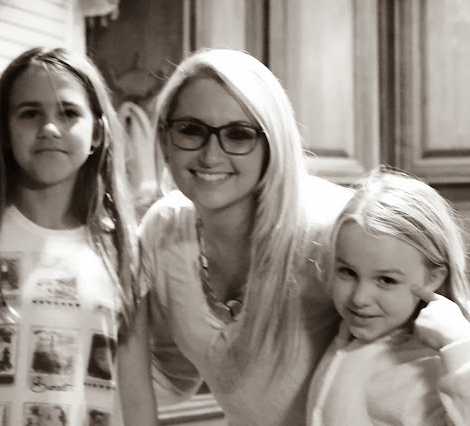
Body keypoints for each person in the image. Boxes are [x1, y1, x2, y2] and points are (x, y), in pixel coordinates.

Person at [0, 47, 157, 426]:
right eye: (30, 113)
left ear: (97, 134)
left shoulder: (122, 248)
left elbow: (137, 401)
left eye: (69, 113)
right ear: (4, 132)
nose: (50, 128)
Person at [138, 48, 353, 424]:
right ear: (165, 139)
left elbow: (413, 368)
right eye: (191, 130)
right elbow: (171, 372)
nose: (210, 156)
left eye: (238, 135)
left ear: (273, 143)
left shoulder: (335, 230)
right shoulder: (164, 229)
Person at [306, 166, 470, 425]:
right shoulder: (348, 337)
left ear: (433, 278)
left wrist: (460, 345)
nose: (359, 298)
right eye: (347, 272)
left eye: (386, 280)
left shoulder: (438, 361)